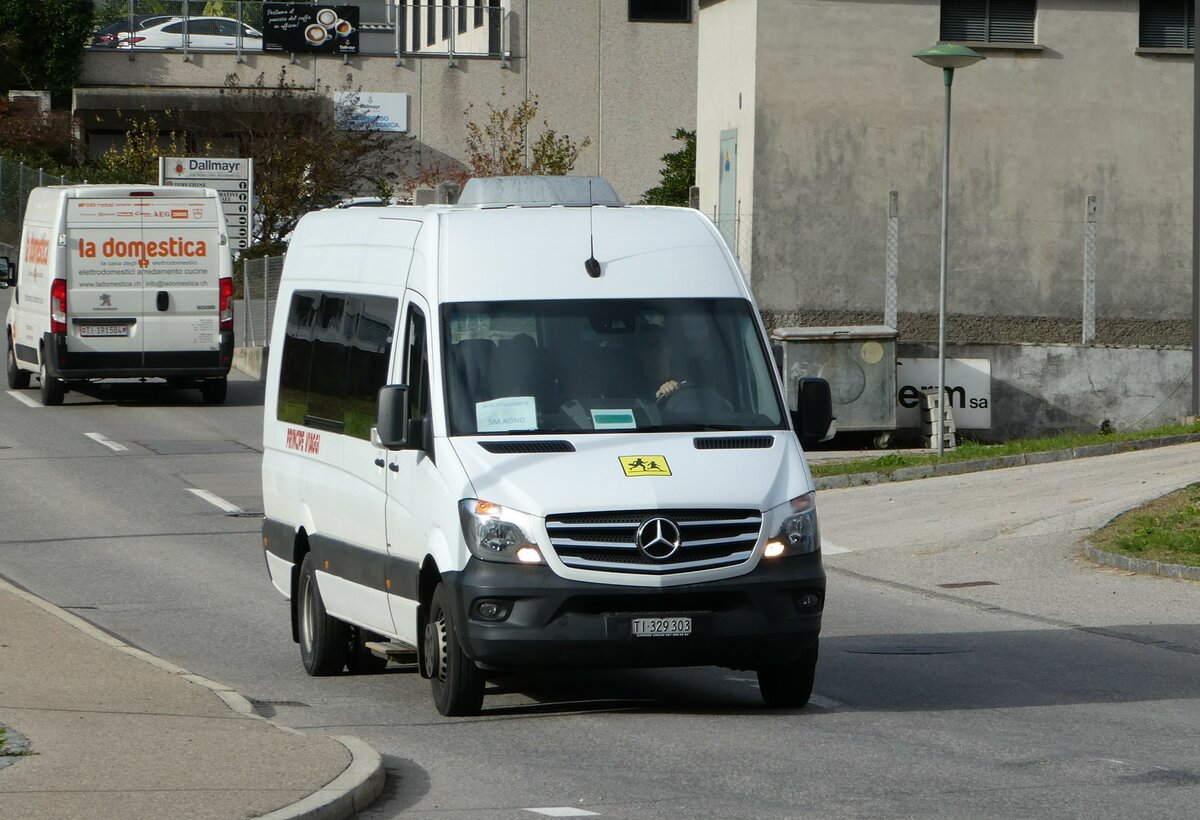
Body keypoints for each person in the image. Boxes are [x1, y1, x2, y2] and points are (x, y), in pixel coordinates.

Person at [635, 324, 684, 401]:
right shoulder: (633, 387)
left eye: (658, 344)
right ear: (639, 352)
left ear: (670, 349)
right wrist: (657, 395)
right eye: (647, 345)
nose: (653, 350)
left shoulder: (684, 380)